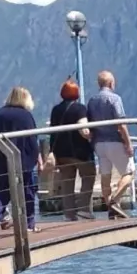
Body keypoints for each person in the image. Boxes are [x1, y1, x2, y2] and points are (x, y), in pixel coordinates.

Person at [0, 86, 39, 239]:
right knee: (28, 191)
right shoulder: (25, 115)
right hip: (23, 161)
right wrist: (37, 157)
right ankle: (29, 224)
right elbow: (32, 139)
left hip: (3, 160)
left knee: (3, 193)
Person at [87, 70, 133, 219]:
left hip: (99, 143)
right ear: (111, 83)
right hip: (115, 141)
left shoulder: (92, 100)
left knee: (105, 176)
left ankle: (111, 208)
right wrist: (128, 142)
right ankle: (114, 200)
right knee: (129, 174)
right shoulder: (115, 99)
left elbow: (90, 124)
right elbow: (121, 123)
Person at [48, 80, 93, 220]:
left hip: (61, 152)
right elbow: (83, 129)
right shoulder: (79, 108)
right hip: (79, 151)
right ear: (76, 93)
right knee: (89, 176)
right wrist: (91, 136)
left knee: (67, 182)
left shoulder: (56, 109)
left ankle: (69, 214)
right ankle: (84, 209)